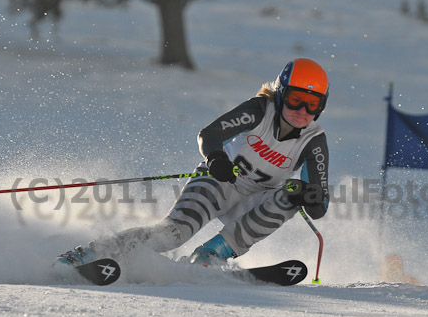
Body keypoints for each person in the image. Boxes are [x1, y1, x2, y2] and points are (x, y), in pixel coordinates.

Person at [58, 58, 330, 267]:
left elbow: (320, 206)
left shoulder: (313, 141)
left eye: (312, 104)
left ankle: (211, 255)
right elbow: (210, 134)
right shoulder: (259, 111)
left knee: (291, 194)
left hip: (257, 201)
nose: (302, 111)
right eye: (295, 100)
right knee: (172, 234)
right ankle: (90, 254)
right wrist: (216, 158)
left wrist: (310, 196)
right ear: (281, 94)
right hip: (222, 181)